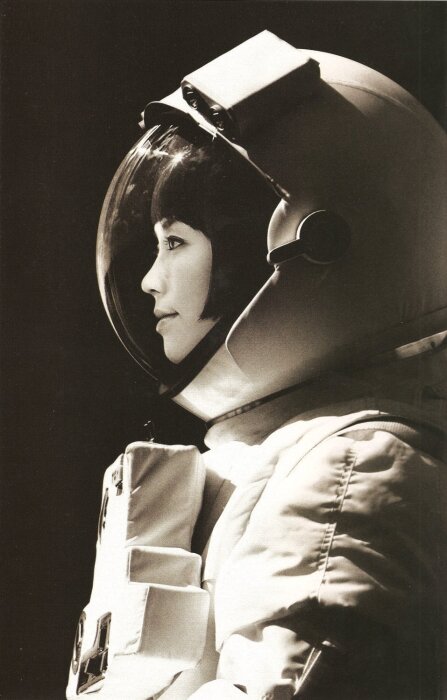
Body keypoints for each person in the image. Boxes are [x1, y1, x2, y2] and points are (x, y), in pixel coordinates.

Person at [69, 32, 447, 699]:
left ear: (314, 241)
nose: (151, 281)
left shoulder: (351, 467)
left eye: (176, 243)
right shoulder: (286, 458)